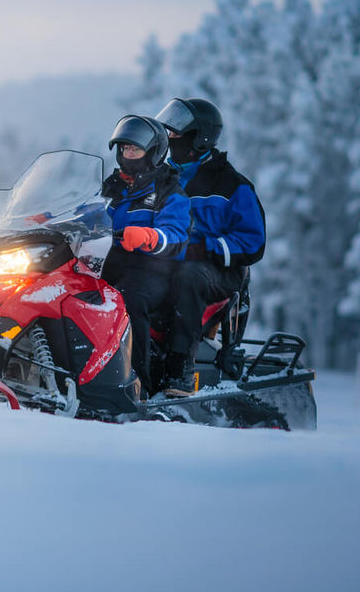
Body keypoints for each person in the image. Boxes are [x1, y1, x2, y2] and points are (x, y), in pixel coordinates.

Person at [155, 97, 266, 394]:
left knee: (189, 276)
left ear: (199, 138)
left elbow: (253, 242)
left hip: (220, 270)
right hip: (169, 262)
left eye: (176, 133)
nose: (169, 139)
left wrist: (206, 249)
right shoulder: (162, 178)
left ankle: (180, 371)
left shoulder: (231, 185)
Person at [102, 115, 190, 397]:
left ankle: (138, 383)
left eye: (135, 149)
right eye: (124, 148)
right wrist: (51, 218)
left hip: (153, 271)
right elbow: (86, 213)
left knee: (127, 301)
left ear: (153, 152)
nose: (128, 154)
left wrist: (150, 237)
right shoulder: (112, 186)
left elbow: (177, 235)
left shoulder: (167, 189)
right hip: (109, 263)